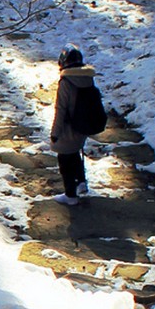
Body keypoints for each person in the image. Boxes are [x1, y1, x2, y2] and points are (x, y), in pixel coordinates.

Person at [49, 47, 107, 205]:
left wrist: (55, 133)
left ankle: (70, 195)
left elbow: (61, 110)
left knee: (64, 159)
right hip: (83, 125)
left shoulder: (66, 82)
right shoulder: (87, 78)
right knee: (75, 153)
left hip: (68, 127)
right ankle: (81, 183)